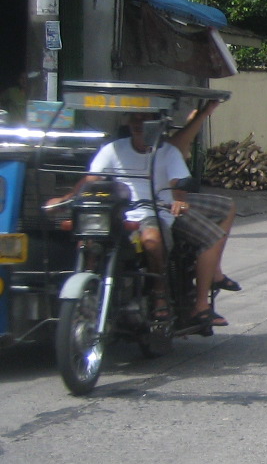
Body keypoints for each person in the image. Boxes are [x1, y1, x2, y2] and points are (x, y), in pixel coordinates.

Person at [57, 105, 237, 327]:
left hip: (153, 210)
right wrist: (67, 199)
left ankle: (160, 291)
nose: (139, 124)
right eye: (135, 118)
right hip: (116, 211)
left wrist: (179, 199)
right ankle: (88, 284)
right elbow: (91, 180)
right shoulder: (113, 149)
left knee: (152, 240)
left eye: (145, 119)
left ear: (158, 125)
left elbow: (177, 183)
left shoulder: (168, 152)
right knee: (87, 237)